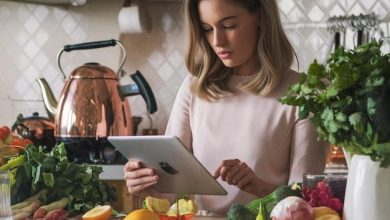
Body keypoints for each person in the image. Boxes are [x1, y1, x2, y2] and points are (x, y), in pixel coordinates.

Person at [124, 0, 328, 215]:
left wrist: (260, 188)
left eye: (229, 26)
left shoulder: (305, 93)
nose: (217, 41)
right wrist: (147, 183)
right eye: (207, 29)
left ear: (260, 16)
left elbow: (306, 202)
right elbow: (172, 189)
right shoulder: (194, 88)